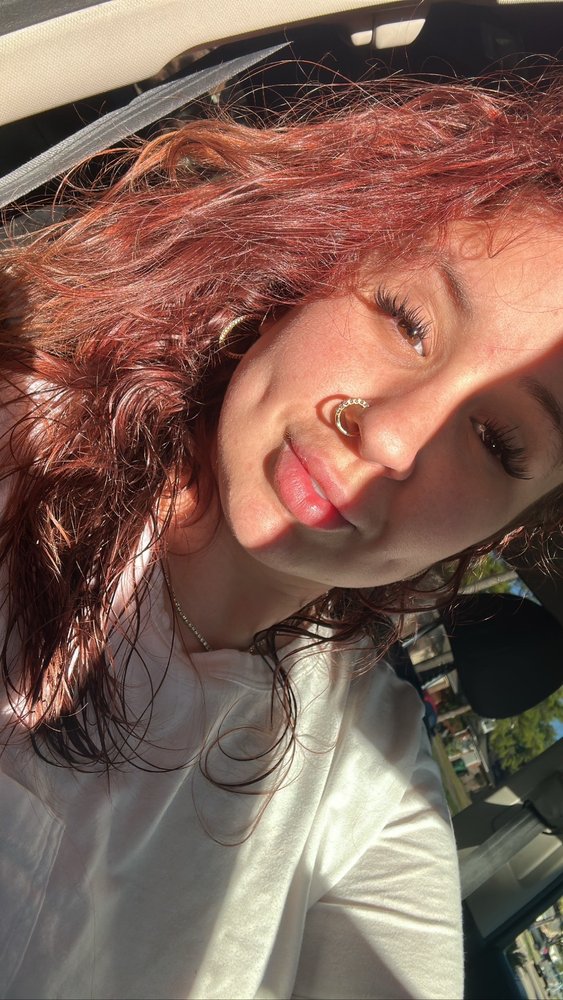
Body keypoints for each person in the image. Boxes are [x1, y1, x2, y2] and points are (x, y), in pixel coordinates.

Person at [0, 70, 562, 1000]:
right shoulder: (21, 430)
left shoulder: (370, 785)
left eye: (497, 440)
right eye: (406, 320)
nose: (391, 438)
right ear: (309, 275)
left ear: (504, 529)